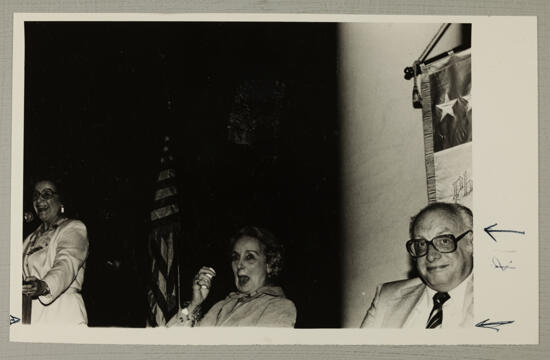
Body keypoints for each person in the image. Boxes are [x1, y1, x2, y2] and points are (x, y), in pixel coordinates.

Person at [361, 202, 473, 328]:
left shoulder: (495, 298)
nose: (431, 256)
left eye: (444, 241)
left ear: (470, 242)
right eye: (421, 244)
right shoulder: (386, 298)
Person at [168, 226, 296, 327]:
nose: (239, 265)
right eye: (235, 257)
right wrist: (194, 304)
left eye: (249, 257)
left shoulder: (279, 306)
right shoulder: (220, 306)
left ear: (269, 264)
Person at [22, 179, 89, 325]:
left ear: (61, 201)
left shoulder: (73, 228)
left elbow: (66, 263)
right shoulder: (29, 239)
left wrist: (44, 286)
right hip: (31, 316)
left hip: (63, 314)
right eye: (35, 195)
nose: (39, 199)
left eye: (47, 194)